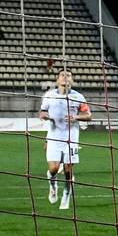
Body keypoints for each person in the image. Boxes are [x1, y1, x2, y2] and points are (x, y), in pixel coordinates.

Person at [39, 69, 91, 211]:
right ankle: (52, 185)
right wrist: (43, 116)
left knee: (68, 171)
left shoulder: (78, 97)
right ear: (57, 80)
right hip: (54, 137)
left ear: (72, 81)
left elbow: (88, 115)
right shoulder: (49, 95)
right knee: (54, 169)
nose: (65, 78)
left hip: (71, 138)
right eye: (62, 75)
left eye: (68, 76)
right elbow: (42, 111)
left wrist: (76, 117)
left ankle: (66, 195)